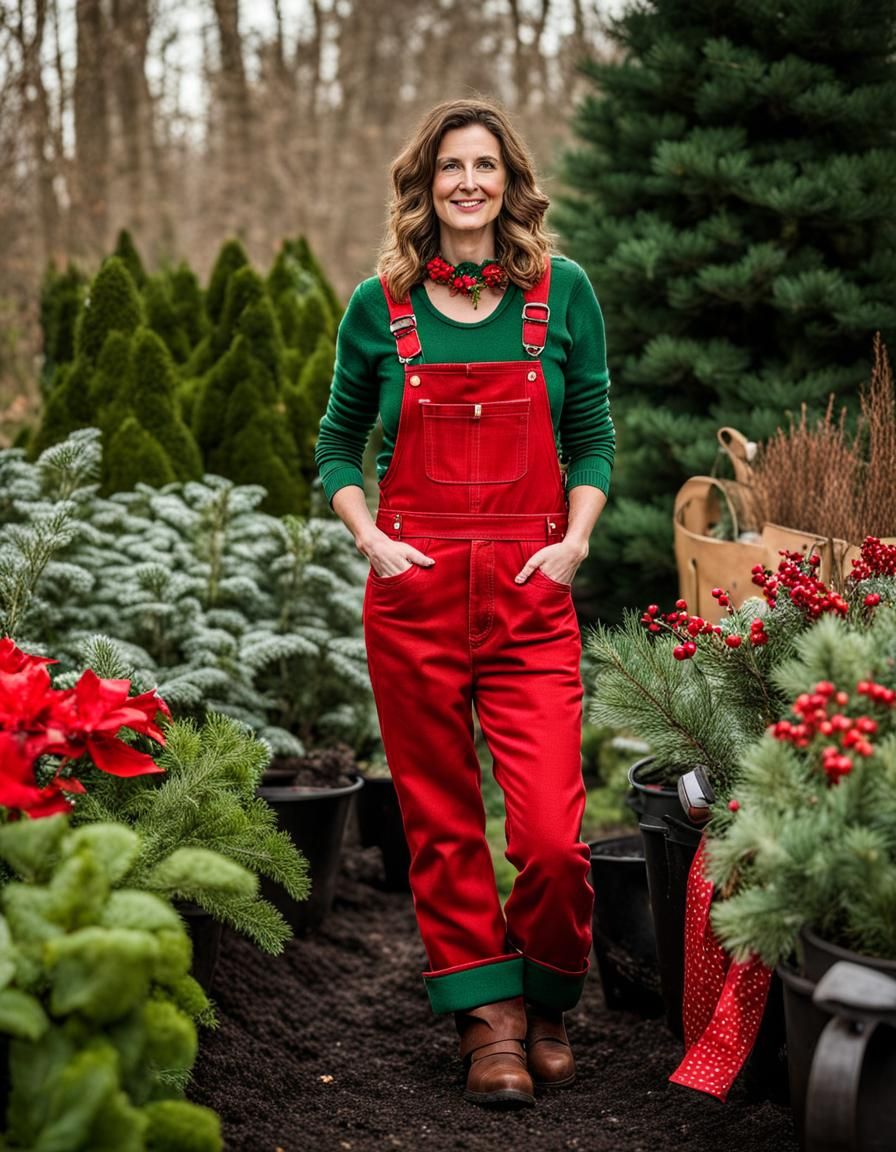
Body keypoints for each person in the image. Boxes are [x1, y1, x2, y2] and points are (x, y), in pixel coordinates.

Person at [314, 98, 614, 1109]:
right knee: (442, 823)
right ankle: (487, 1021)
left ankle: (547, 992)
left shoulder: (562, 293)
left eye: (486, 165)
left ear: (510, 181)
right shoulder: (380, 305)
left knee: (551, 839)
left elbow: (593, 434)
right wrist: (371, 538)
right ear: (425, 184)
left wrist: (573, 544)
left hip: (531, 593)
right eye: (451, 166)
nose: (469, 182)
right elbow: (335, 446)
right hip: (417, 594)